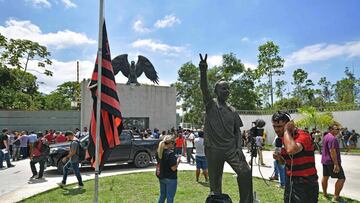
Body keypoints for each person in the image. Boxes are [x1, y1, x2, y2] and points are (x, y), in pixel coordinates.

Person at [199, 54, 251, 203]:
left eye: (228, 89)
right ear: (216, 91)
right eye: (223, 89)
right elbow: (204, 88)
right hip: (213, 148)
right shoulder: (211, 105)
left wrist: (239, 148)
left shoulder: (233, 111)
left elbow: (237, 132)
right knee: (215, 185)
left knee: (245, 172)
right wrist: (203, 71)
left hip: (230, 149)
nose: (226, 91)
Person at [272, 111, 318, 203]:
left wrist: (286, 131)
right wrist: (280, 158)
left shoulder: (303, 135)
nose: (276, 130)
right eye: (274, 126)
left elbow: (292, 149)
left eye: (280, 126)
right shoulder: (281, 139)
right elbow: (285, 163)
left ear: (289, 125)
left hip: (306, 183)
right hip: (290, 180)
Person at [321, 124, 346, 202]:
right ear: (331, 129)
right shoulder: (333, 139)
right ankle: (336, 197)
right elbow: (332, 151)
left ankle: (325, 194)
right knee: (342, 178)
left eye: (339, 129)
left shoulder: (325, 136)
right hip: (332, 162)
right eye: (337, 129)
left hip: (325, 161)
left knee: (325, 177)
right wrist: (336, 164)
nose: (338, 131)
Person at [156, 135, 181, 203]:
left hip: (162, 176)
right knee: (170, 197)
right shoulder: (170, 154)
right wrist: (178, 161)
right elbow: (173, 168)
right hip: (170, 178)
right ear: (170, 143)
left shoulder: (159, 151)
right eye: (174, 143)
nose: (174, 145)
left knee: (162, 195)